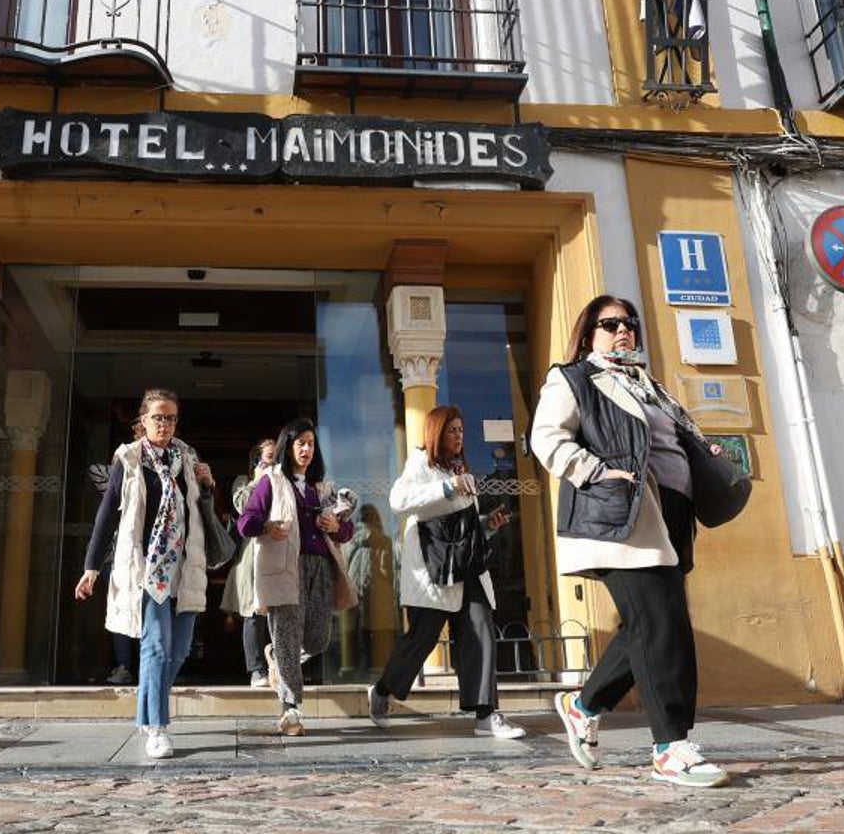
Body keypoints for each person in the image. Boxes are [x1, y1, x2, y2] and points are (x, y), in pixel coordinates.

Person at [531, 295, 730, 788]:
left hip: (670, 517)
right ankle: (671, 747)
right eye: (610, 323)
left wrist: (702, 449)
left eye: (629, 324)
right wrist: (597, 471)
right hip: (620, 517)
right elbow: (547, 438)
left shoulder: (649, 384)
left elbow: (669, 438)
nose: (623, 330)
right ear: (589, 333)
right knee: (664, 624)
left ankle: (582, 706)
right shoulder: (574, 378)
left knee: (646, 624)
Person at [366, 405, 526, 740]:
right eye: (452, 430)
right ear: (437, 432)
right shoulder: (421, 463)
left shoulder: (460, 468)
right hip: (434, 570)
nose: (459, 436)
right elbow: (400, 500)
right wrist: (448, 488)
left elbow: (463, 526)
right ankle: (382, 690)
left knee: (481, 631)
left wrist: (488, 526)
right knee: (421, 641)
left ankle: (486, 715)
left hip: (468, 567)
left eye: (462, 430)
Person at [74, 388, 214, 760]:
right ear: (143, 421)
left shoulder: (187, 459)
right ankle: (157, 728)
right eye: (158, 417)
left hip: (185, 567)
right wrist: (91, 568)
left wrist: (208, 484)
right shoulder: (129, 459)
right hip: (148, 570)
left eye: (170, 418)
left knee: (180, 650)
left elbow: (203, 513)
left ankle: (145, 709)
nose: (165, 424)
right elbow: (108, 517)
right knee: (155, 647)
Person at [237, 417, 359, 736]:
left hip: (320, 568)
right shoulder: (271, 481)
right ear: (287, 447)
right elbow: (245, 522)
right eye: (300, 443)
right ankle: (290, 710)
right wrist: (267, 526)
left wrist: (337, 527)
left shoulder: (322, 488)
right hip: (284, 568)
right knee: (289, 637)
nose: (306, 449)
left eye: (311, 443)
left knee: (318, 639)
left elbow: (346, 531)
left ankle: (278, 655)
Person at [220, 439, 277, 687]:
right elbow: (243, 506)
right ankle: (256, 669)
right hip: (252, 556)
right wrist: (258, 479)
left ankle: (280, 664)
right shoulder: (244, 483)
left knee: (280, 612)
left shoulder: (284, 483)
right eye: (268, 457)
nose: (273, 463)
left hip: (278, 552)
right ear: (256, 461)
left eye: (277, 458)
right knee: (254, 612)